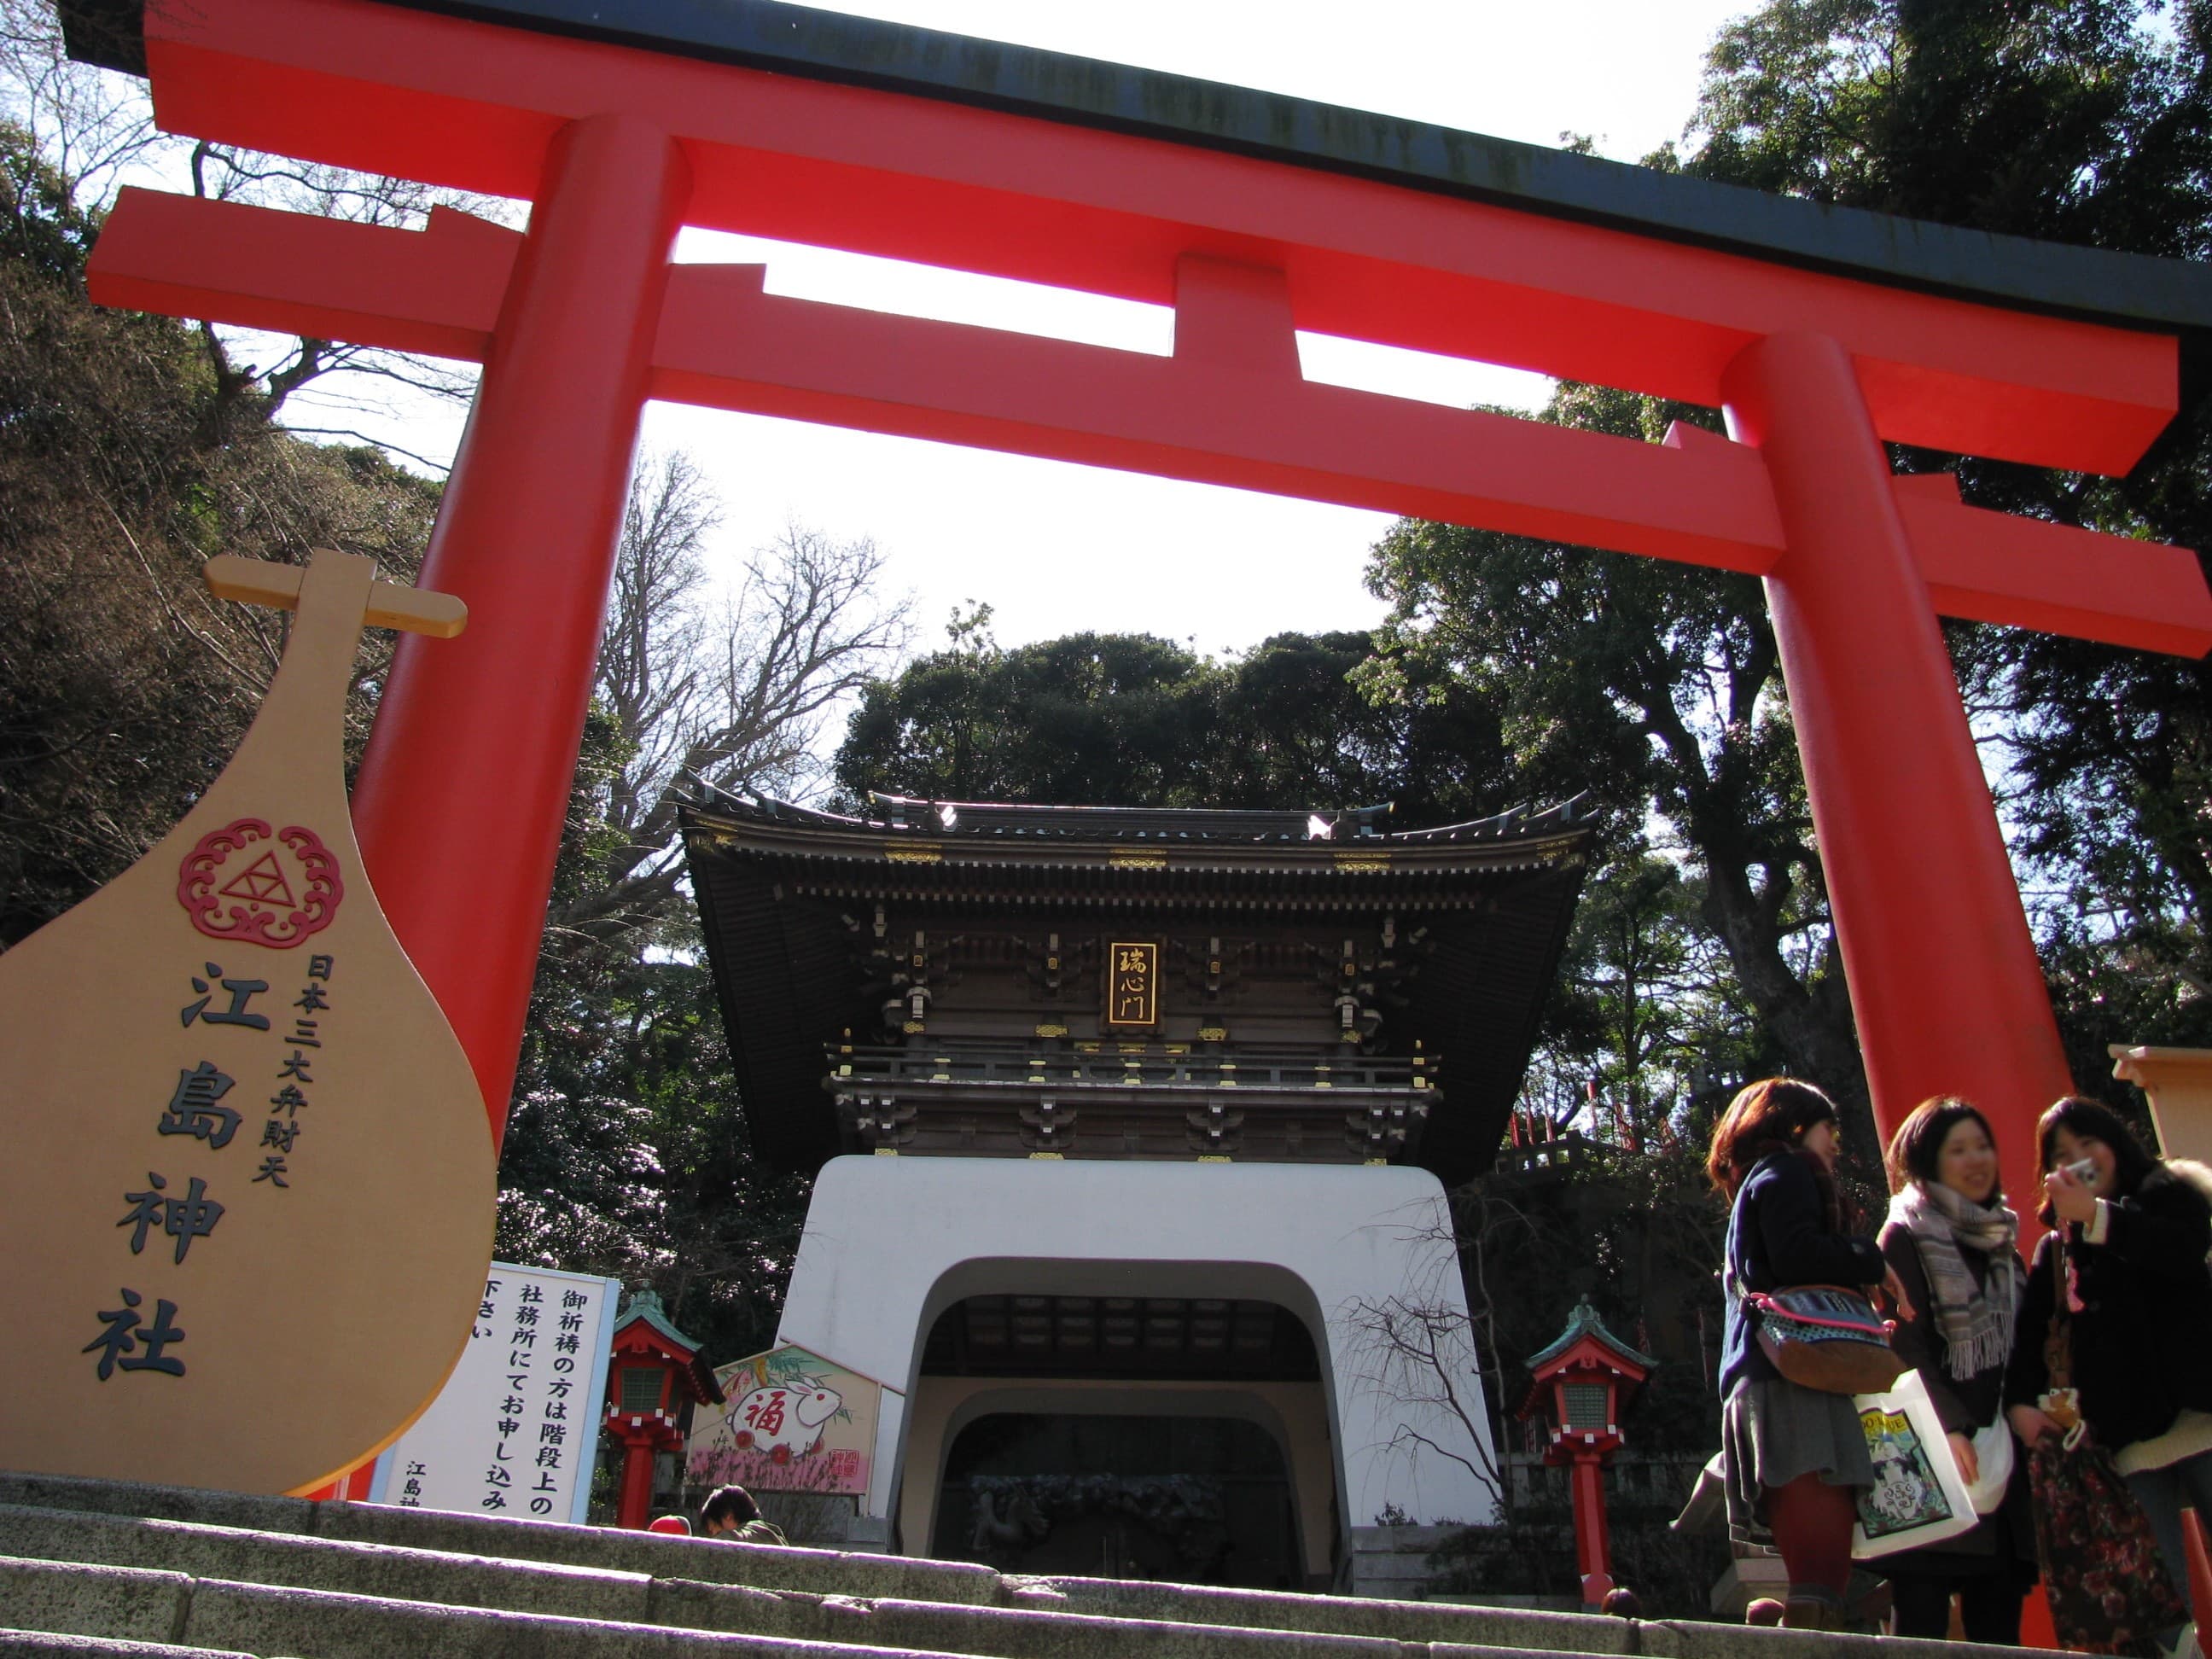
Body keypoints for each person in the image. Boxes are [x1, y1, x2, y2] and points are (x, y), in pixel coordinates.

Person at [2006, 1097, 2212, 1656]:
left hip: (2202, 1416)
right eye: (2061, 1156)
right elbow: (2032, 1337)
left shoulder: (2170, 1195)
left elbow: (2182, 1252)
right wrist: (2020, 1404)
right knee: (2154, 1595)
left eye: (2086, 1146)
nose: (2078, 1162)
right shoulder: (2057, 1249)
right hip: (2122, 1441)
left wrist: (2100, 1218)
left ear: (2115, 1142)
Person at [1709, 1075, 1911, 1631]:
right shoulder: (1789, 1171)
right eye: (1829, 1129)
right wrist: (1866, 1259)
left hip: (1761, 1373)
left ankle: (1787, 1623)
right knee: (1822, 1566)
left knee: (1809, 1567)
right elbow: (1797, 1254)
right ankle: (1804, 1627)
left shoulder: (1755, 1182)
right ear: (1796, 1128)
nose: (1837, 1144)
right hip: (1796, 1373)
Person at [1877, 1096, 2039, 1643]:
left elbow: (2025, 1347)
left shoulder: (2003, 1244)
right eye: (1958, 1150)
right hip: (1935, 1451)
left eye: (1982, 1146)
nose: (1977, 1160)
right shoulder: (1904, 1234)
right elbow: (1903, 1340)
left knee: (1999, 1619)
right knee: (1921, 1609)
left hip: (2005, 1447)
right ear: (1927, 1161)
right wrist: (1945, 1425)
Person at [700, 1482, 789, 1545]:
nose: (714, 1536)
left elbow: (725, 1542)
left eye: (714, 1529)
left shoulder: (755, 1532)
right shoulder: (771, 1533)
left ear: (728, 1515)